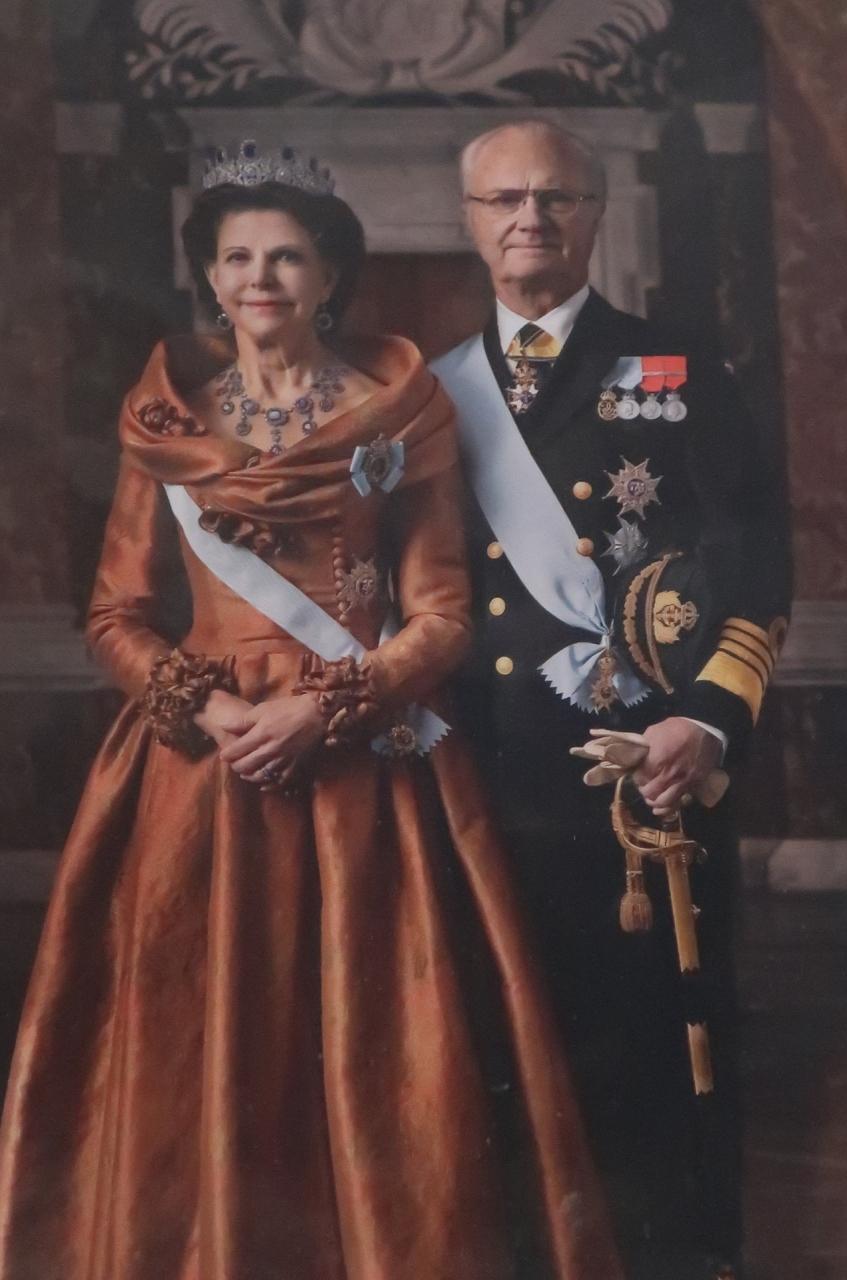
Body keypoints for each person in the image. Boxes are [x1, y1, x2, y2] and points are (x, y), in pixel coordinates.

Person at [0, 142, 624, 1280]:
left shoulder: (402, 413)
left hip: (365, 768)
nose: (261, 279)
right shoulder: (165, 422)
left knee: (377, 1037)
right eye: (238, 257)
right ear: (210, 275)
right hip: (199, 774)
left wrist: (330, 707)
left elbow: (442, 616)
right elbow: (115, 613)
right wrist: (204, 710)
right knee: (204, 1031)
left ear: (331, 274)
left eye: (287, 256)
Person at [432, 120, 792, 1280]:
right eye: (504, 199)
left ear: (594, 214)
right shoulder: (429, 392)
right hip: (485, 769)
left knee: (659, 1039)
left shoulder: (676, 369)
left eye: (556, 196)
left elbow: (755, 566)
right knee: (500, 1031)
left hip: (646, 764)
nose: (529, 217)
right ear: (469, 221)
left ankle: (678, 1255)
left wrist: (707, 719)